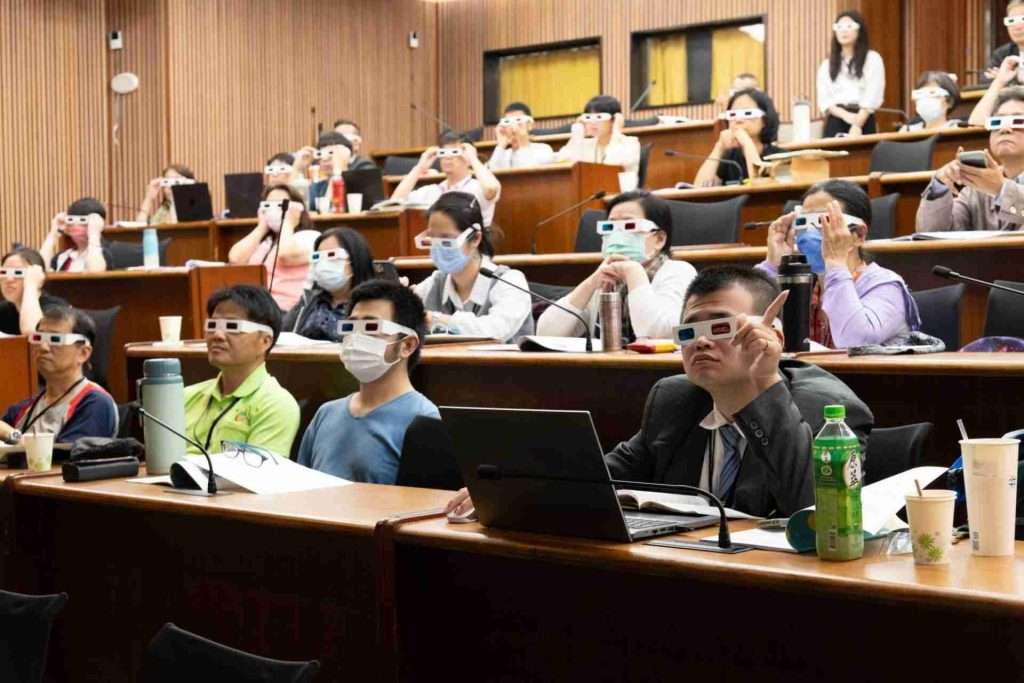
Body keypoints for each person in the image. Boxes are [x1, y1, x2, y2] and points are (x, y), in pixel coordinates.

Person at [447, 266, 874, 519]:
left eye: (719, 326)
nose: (701, 342)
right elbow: (601, 474)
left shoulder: (828, 409)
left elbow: (817, 511)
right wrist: (514, 487)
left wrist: (763, 384)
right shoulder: (675, 399)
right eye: (689, 330)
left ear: (771, 334)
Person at [297, 280, 439, 483]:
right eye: (350, 327)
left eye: (371, 327)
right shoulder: (325, 414)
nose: (356, 337)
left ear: (407, 345)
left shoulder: (426, 421)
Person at [760, 179, 920, 349]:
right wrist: (773, 266)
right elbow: (749, 329)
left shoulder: (885, 286)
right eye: (803, 223)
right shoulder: (803, 284)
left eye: (825, 221)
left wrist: (835, 263)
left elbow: (856, 341)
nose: (810, 232)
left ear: (859, 234)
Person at [537, 190, 696, 341]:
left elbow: (660, 335)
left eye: (630, 226)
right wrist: (591, 283)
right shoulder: (605, 279)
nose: (618, 235)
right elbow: (546, 334)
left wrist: (634, 274)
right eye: (610, 227)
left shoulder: (678, 271)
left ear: (659, 239)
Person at [183, 285, 300, 457]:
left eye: (232, 326)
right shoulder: (186, 397)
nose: (217, 335)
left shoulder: (276, 404)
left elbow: (257, 471)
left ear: (265, 341)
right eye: (212, 325)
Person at [412, 192, 532, 342]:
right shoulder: (435, 282)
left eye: (447, 240)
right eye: (432, 239)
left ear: (475, 238)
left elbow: (496, 331)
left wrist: (438, 320)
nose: (437, 247)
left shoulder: (510, 281)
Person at [1, 305, 117, 446]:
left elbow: (65, 455)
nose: (43, 347)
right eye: (38, 338)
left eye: (55, 339)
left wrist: (11, 435)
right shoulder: (21, 410)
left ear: (83, 353)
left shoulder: (96, 403)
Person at [918, 87, 1024, 232]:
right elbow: (931, 232)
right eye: (997, 121)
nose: (1005, 129)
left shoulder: (989, 183)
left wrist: (1001, 189)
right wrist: (938, 188)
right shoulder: (978, 187)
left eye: (1017, 121)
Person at [227, 184, 319, 310]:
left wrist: (288, 222)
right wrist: (262, 226)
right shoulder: (267, 242)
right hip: (257, 309)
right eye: (268, 205)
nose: (273, 210)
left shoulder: (309, 237)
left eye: (280, 205)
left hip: (288, 311)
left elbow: (286, 256)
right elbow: (235, 259)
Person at [390, 132, 502, 226]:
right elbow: (396, 202)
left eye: (455, 152)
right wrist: (419, 167)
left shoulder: (477, 187)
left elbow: (491, 188)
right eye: (443, 153)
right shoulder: (433, 190)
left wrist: (473, 159)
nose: (448, 157)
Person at [283, 227, 376, 340]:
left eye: (332, 256)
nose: (324, 265)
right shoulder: (309, 300)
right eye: (318, 257)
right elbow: (283, 334)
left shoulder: (373, 304)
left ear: (354, 260)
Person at [816, 9, 885, 137]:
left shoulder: (872, 59)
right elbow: (825, 100)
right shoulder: (826, 64)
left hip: (864, 118)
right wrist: (846, 116)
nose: (844, 31)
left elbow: (873, 93)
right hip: (836, 119)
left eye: (849, 26)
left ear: (859, 30)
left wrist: (857, 123)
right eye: (839, 27)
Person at [694, 88, 781, 186]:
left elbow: (760, 186)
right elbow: (699, 187)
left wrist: (746, 142)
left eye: (748, 113)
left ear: (765, 120)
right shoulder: (729, 157)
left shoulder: (779, 157)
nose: (738, 120)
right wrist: (719, 147)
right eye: (733, 114)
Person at [555, 95, 642, 190]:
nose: (593, 123)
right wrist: (577, 133)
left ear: (614, 120)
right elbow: (562, 161)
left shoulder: (630, 143)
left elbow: (611, 168)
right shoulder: (584, 144)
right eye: (588, 117)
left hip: (618, 195)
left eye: (599, 117)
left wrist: (616, 132)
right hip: (590, 194)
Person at [0, 248, 65, 336]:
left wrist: (31, 286)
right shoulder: (4, 310)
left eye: (18, 272)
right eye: (4, 272)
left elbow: (33, 333)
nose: (9, 279)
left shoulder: (55, 308)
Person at [39, 197, 111, 273]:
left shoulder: (107, 253)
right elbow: (39, 268)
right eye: (71, 221)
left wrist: (94, 234)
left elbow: (95, 273)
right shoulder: (64, 257)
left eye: (83, 221)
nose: (75, 225)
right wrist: (53, 234)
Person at [487, 102, 555, 170]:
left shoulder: (543, 150)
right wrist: (501, 144)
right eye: (508, 122)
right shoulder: (503, 154)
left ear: (530, 125)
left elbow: (527, 172)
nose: (513, 126)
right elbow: (491, 172)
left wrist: (521, 142)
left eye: (518, 120)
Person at [298, 132, 354, 212]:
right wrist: (297, 168)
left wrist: (338, 168)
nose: (325, 159)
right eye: (321, 154)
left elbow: (332, 209)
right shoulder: (318, 186)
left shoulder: (358, 182)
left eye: (331, 154)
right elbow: (300, 208)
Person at [985, 0, 1024, 84]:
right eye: (1011, 21)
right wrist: (1000, 80)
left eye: (1022, 19)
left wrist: (1012, 79)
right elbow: (985, 80)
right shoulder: (1002, 54)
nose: (1017, 27)